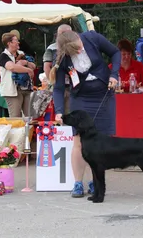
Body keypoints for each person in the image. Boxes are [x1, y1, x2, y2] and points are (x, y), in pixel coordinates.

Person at [50, 30, 120, 198]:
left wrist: (114, 74)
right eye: (76, 50)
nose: (80, 51)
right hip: (81, 99)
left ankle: (96, 181)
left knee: (102, 142)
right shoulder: (62, 59)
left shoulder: (93, 38)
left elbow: (115, 53)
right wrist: (59, 112)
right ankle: (77, 183)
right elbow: (59, 88)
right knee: (79, 143)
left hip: (104, 94)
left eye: (80, 47)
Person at [0, 33, 36, 117]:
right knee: (15, 117)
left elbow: (33, 66)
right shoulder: (3, 56)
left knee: (30, 117)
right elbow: (11, 67)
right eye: (16, 41)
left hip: (27, 89)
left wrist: (25, 62)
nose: (18, 42)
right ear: (9, 43)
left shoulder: (21, 53)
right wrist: (27, 69)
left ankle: (27, 130)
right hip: (13, 91)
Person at [43, 24, 73, 114]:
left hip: (71, 87)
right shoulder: (51, 48)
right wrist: (52, 82)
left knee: (68, 114)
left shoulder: (75, 47)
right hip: (58, 87)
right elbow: (47, 67)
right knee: (60, 114)